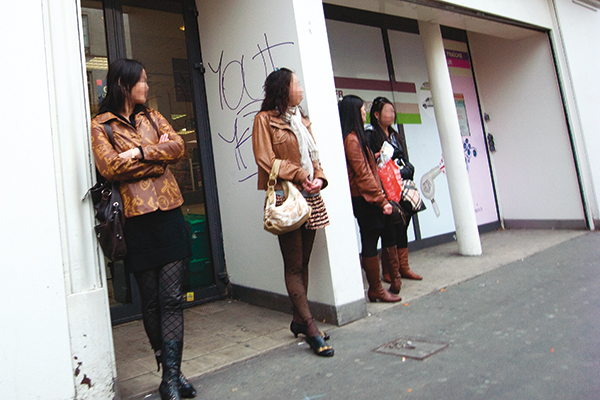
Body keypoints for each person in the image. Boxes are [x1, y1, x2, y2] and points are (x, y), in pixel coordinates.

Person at [91, 59, 196, 400]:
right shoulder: (100, 126)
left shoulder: (152, 116)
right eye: (143, 81)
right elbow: (109, 167)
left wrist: (137, 152)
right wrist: (156, 158)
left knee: (171, 299)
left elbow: (178, 147)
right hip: (135, 221)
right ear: (124, 83)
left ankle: (171, 377)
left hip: (168, 215)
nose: (147, 86)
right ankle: (170, 373)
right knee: (150, 303)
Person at [252, 68, 334, 357]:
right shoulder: (264, 120)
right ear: (282, 88)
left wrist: (319, 179)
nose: (300, 87)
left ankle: (300, 320)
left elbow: (316, 158)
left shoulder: (302, 120)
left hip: (310, 195)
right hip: (288, 198)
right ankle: (311, 328)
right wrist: (300, 175)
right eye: (295, 82)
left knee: (305, 261)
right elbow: (266, 160)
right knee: (294, 265)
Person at [339, 95, 403, 303]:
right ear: (354, 112)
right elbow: (362, 175)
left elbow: (365, 169)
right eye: (362, 109)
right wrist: (381, 200)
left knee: (386, 231)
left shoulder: (356, 138)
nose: (364, 113)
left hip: (370, 196)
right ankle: (376, 288)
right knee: (370, 239)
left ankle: (395, 280)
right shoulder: (351, 139)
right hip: (365, 199)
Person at [367, 96, 423, 288]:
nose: (391, 114)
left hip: (402, 186)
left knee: (404, 224)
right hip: (386, 189)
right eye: (387, 111)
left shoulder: (395, 135)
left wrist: (407, 167)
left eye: (393, 111)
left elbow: (402, 158)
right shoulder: (372, 136)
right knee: (391, 227)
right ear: (376, 114)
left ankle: (403, 267)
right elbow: (377, 164)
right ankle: (389, 269)